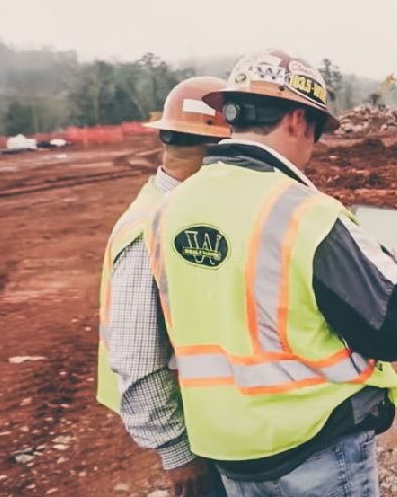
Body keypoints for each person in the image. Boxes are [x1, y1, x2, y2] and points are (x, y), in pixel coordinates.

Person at [146, 50, 397, 496]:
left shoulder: (171, 207)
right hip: (309, 442)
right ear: (299, 120)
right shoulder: (302, 211)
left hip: (225, 445)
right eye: (316, 132)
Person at [98, 76, 231, 497]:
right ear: (217, 150)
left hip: (212, 423)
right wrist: (177, 452)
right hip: (195, 439)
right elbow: (137, 354)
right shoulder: (151, 226)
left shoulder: (181, 209)